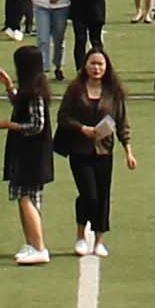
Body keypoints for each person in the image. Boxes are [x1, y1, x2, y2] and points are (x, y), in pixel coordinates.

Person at [53, 43, 134, 261]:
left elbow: (121, 122)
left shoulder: (113, 93)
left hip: (104, 151)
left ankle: (99, 239)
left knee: (103, 195)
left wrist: (128, 150)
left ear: (106, 67)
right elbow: (63, 116)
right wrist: (82, 128)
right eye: (93, 63)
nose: (96, 68)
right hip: (79, 150)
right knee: (89, 194)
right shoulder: (75, 89)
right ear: (85, 65)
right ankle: (81, 235)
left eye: (100, 64)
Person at [0, 38, 57, 263]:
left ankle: (39, 247)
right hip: (26, 152)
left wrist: (8, 125)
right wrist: (8, 85)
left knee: (26, 196)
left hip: (33, 154)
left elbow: (37, 125)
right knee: (25, 196)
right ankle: (31, 243)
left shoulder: (36, 93)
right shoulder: (30, 90)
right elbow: (19, 104)